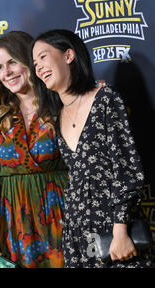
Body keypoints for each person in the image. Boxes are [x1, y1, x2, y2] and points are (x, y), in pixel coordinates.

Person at [31, 29, 152, 268]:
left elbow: (126, 167)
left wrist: (120, 231)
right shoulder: (56, 116)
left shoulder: (105, 99)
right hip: (78, 238)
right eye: (34, 63)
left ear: (68, 55)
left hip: (115, 233)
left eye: (43, 57)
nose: (38, 67)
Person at [0, 31, 68, 268]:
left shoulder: (61, 103)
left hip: (63, 214)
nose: (6, 72)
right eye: (0, 67)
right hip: (14, 222)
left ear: (31, 61)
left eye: (13, 62)